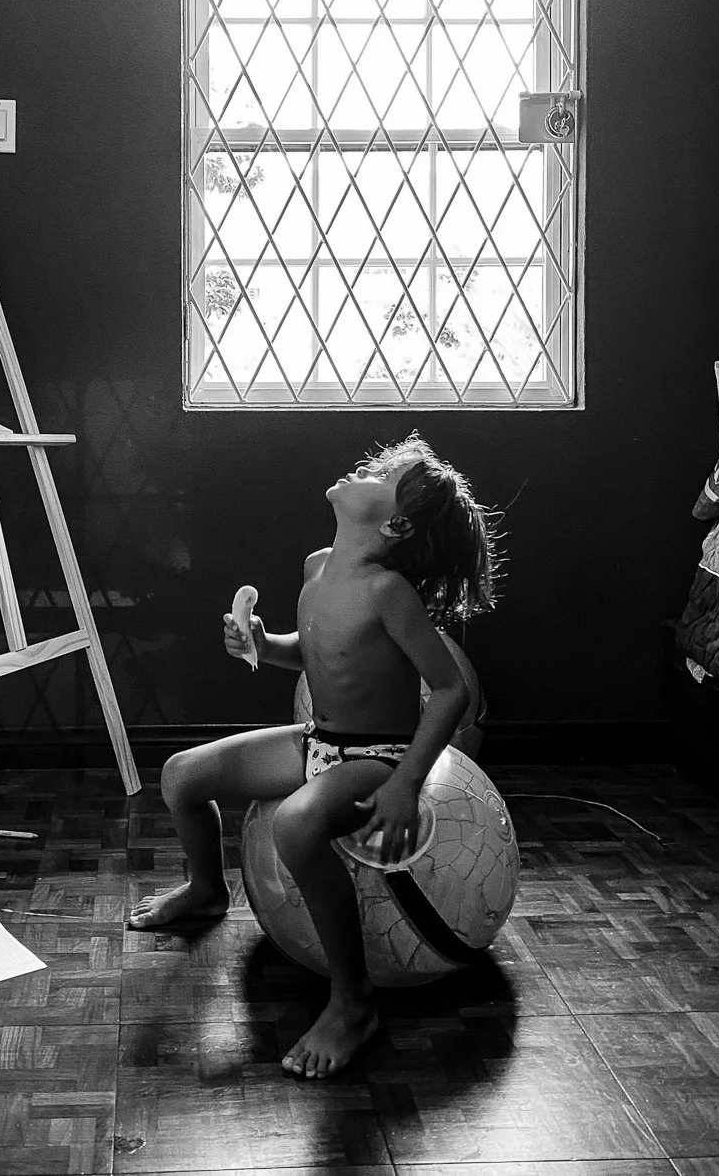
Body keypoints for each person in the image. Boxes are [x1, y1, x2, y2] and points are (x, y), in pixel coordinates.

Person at [127, 432, 499, 1079]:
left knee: (296, 825)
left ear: (395, 522)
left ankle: (353, 1003)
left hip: (377, 755)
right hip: (318, 740)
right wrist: (261, 642)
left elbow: (450, 690)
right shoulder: (317, 566)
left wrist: (406, 783)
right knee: (182, 776)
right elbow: (314, 648)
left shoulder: (389, 592)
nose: (368, 467)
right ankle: (207, 890)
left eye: (385, 473)